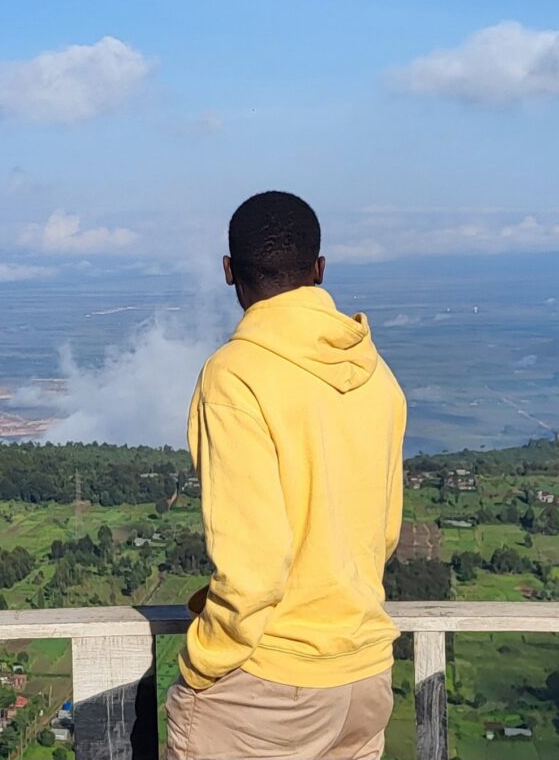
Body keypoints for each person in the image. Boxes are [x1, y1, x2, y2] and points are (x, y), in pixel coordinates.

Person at [166, 191, 406, 760]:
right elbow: (384, 534)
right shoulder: (376, 374)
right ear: (319, 269)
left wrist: (203, 663)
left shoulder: (236, 375)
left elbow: (254, 566)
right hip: (364, 674)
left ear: (229, 272)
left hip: (269, 685)